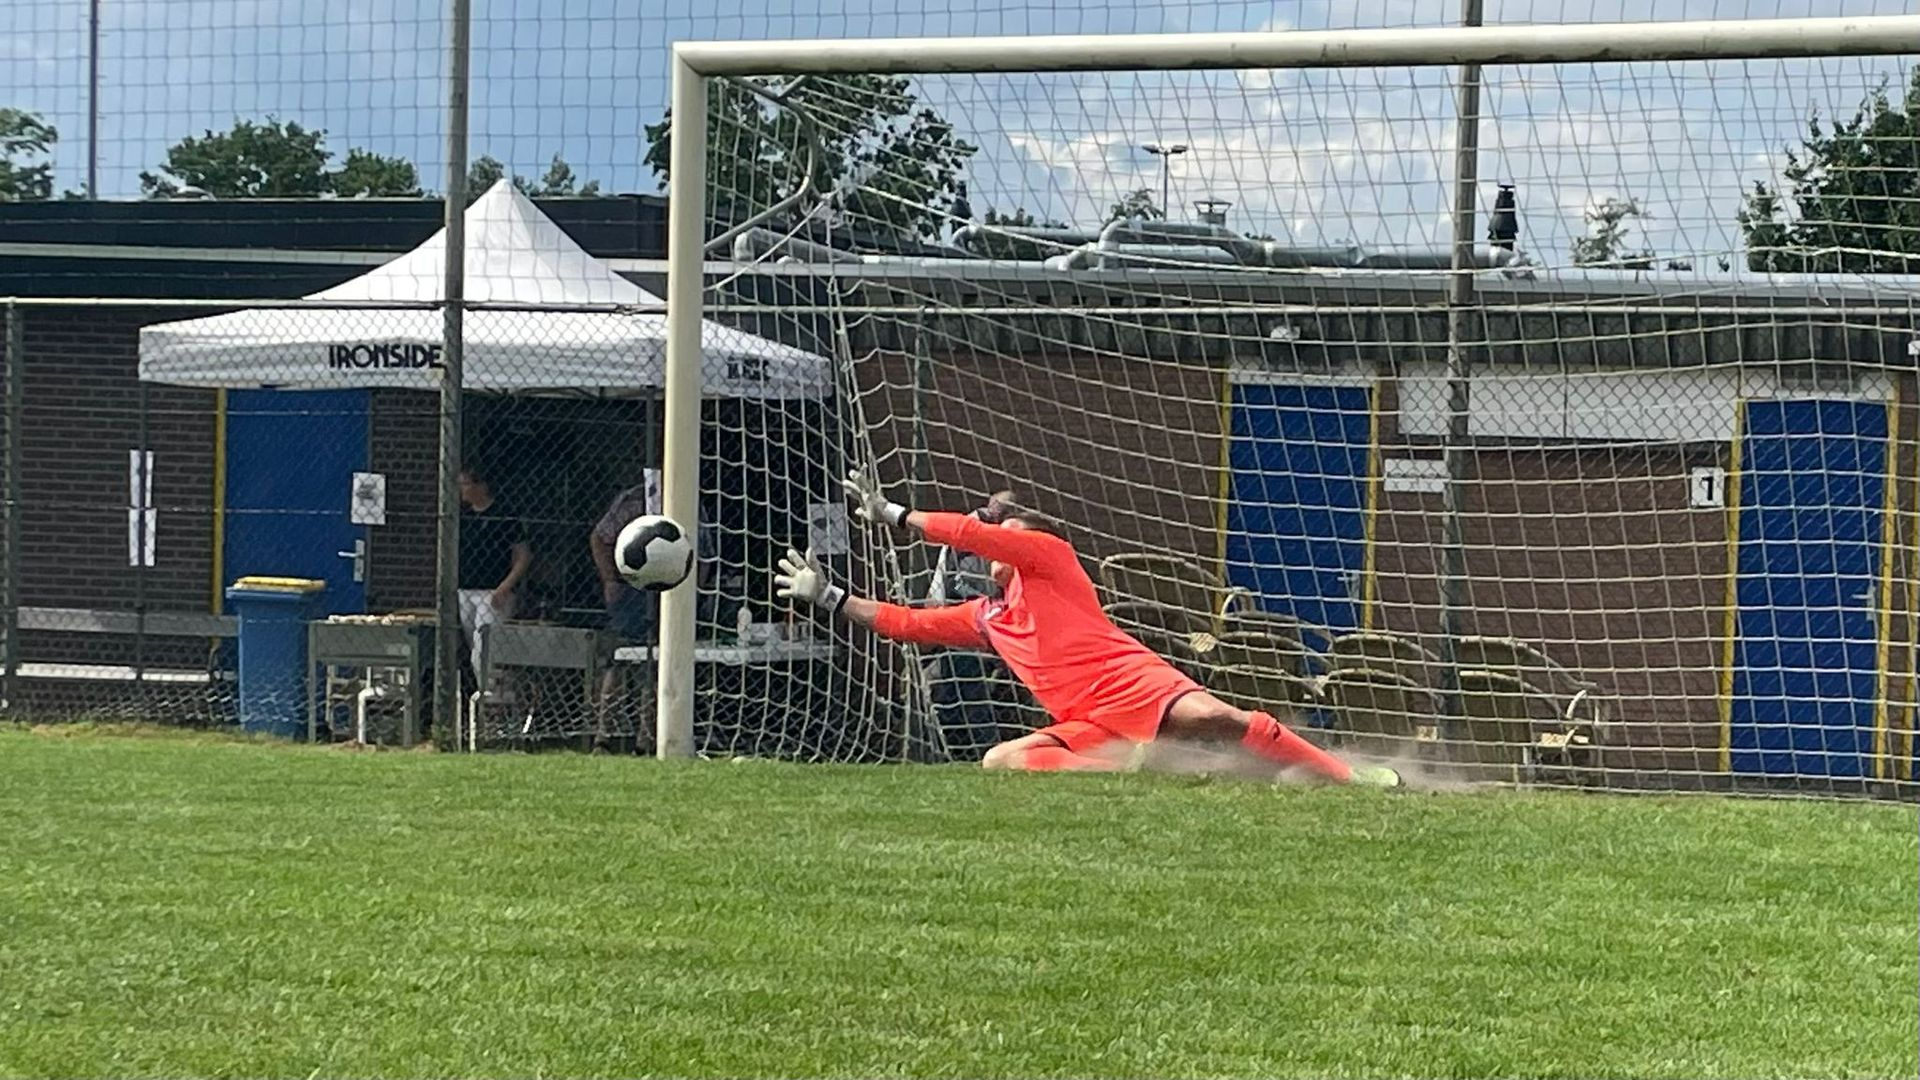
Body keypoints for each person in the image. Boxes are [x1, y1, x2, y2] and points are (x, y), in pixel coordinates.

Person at [774, 471, 1400, 785]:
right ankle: (1132, 765)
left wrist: (895, 513)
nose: (1002, 544)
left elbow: (971, 532)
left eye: (1009, 536)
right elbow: (905, 623)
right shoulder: (988, 617)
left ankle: (1350, 777)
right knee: (1002, 761)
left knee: (1219, 720)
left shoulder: (1050, 558)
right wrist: (831, 597)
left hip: (1129, 680)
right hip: (1088, 720)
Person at [925, 488, 1024, 758]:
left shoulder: (996, 537)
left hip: (983, 626)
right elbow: (953, 587)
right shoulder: (972, 536)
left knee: (959, 685)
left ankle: (976, 749)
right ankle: (975, 750)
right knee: (955, 686)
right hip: (963, 622)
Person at [588, 468, 661, 749]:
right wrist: (610, 578)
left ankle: (647, 737)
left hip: (668, 590)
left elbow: (703, 551)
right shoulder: (631, 500)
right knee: (617, 661)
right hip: (630, 591)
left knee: (655, 668)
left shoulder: (689, 499)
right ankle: (602, 736)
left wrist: (696, 593)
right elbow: (598, 537)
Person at [457, 464, 533, 675]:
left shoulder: (505, 515)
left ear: (480, 486)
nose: (461, 489)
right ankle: (485, 691)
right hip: (465, 588)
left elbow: (523, 555)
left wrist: (505, 587)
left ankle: (488, 693)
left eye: (465, 484)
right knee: (472, 645)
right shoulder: (463, 517)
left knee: (485, 646)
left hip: (493, 590)